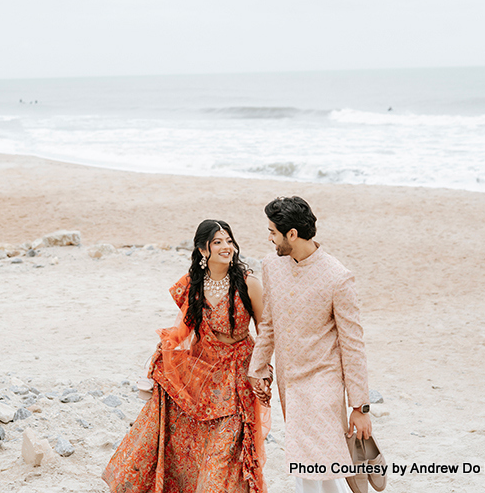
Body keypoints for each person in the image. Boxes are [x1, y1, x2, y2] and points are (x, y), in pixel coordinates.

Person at [103, 219, 270, 493]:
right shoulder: (193, 283)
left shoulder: (250, 284)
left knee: (224, 453)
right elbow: (185, 327)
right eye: (218, 242)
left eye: (229, 240)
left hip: (236, 377)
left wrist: (261, 371)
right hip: (201, 373)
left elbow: (266, 333)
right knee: (188, 446)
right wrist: (165, 347)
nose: (226, 246)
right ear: (203, 249)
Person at [248, 197, 371, 493]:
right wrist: (258, 366)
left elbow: (352, 344)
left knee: (312, 462)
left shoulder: (338, 277)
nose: (269, 238)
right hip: (289, 383)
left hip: (323, 381)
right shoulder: (271, 265)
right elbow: (269, 324)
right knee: (313, 464)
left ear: (292, 234)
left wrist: (360, 406)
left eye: (273, 232)